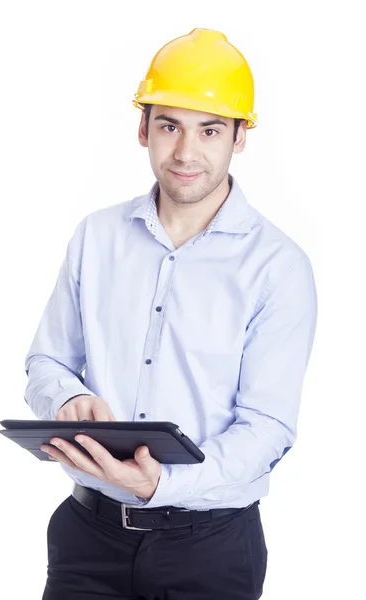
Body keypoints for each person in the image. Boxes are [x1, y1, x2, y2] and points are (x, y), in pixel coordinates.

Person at [24, 28, 318, 600]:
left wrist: (164, 482)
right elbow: (47, 358)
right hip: (88, 539)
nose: (186, 152)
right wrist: (65, 400)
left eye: (209, 130)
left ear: (239, 138)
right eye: (169, 126)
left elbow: (267, 428)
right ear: (143, 130)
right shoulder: (97, 237)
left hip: (209, 550)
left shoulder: (279, 267)